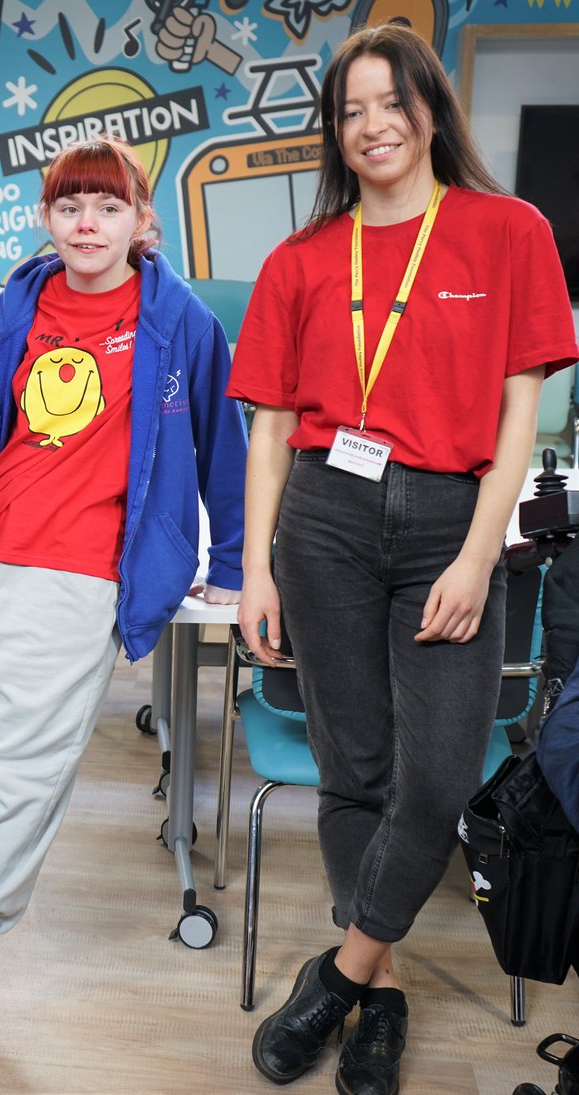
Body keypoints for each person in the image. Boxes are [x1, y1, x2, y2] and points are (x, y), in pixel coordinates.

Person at [226, 24, 578, 1095]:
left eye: (392, 102)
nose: (373, 126)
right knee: (354, 773)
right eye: (351, 110)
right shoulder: (301, 259)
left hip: (450, 521)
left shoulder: (507, 230)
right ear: (333, 131)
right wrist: (256, 568)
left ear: (431, 111)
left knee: (435, 782)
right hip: (324, 520)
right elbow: (271, 429)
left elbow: (521, 416)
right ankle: (380, 1000)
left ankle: (336, 977)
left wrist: (477, 556)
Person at [0, 134, 248, 1038]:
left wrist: (230, 563)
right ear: (46, 216)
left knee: (21, 773)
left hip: (81, 576)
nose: (87, 223)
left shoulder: (180, 320)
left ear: (141, 220)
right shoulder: (12, 312)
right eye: (70, 206)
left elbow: (221, 446)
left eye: (108, 206)